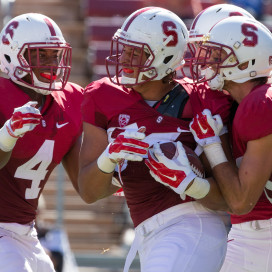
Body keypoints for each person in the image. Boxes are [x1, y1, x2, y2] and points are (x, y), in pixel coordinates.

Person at [78, 7, 232, 272]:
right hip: (148, 233)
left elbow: (230, 198)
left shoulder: (200, 100)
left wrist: (190, 183)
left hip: (194, 225)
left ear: (166, 57)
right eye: (124, 48)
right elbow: (89, 193)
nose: (125, 58)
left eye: (136, 52)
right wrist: (108, 158)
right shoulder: (103, 96)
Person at [0, 13, 83, 272]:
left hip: (26, 231)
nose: (52, 64)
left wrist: (112, 166)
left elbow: (86, 184)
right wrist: (7, 135)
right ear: (12, 55)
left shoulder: (71, 100)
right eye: (41, 55)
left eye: (55, 55)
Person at [188, 15, 272, 271]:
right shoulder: (253, 102)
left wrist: (212, 145)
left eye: (217, 56)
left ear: (245, 61)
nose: (207, 62)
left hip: (261, 236)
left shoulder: (259, 104)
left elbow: (241, 201)